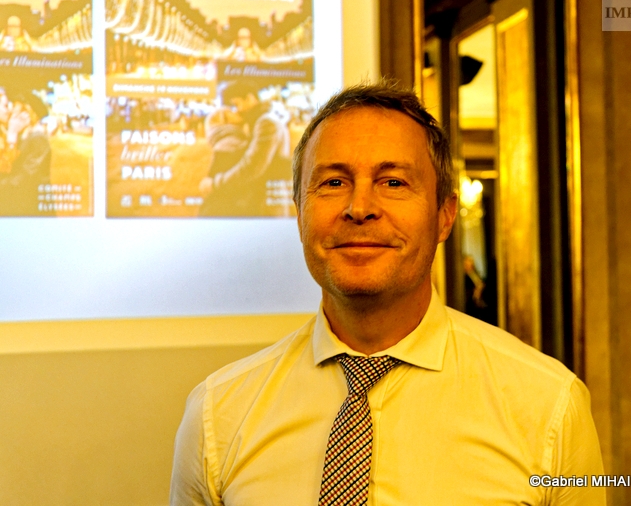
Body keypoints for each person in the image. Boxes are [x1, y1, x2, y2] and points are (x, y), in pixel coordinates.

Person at [171, 82, 605, 504]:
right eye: (333, 183)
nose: (359, 208)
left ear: (445, 215)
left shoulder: (548, 408)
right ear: (300, 213)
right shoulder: (218, 415)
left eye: (393, 182)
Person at [198, 82, 292, 216]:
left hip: (265, 205)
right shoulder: (257, 123)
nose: (237, 110)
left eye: (237, 104)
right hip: (259, 202)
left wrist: (214, 184)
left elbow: (253, 165)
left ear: (249, 98)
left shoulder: (266, 122)